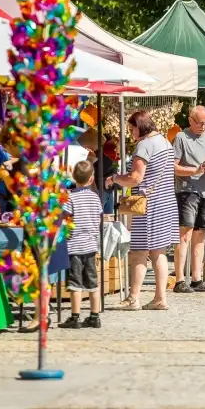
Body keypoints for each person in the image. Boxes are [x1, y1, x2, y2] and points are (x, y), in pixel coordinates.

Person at [107, 110, 178, 310]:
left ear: (139, 127)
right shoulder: (165, 142)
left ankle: (133, 298)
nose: (131, 133)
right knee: (158, 252)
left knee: (139, 251)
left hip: (149, 205)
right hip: (166, 202)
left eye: (132, 129)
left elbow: (136, 178)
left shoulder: (145, 145)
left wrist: (114, 178)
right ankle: (160, 298)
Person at [172, 105, 205, 293]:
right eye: (200, 123)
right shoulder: (181, 138)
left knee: (201, 234)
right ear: (190, 120)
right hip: (187, 191)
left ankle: (197, 278)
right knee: (185, 234)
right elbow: (173, 167)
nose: (203, 126)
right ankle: (180, 280)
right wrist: (195, 170)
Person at [58, 160, 103, 329]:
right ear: (91, 179)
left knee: (75, 283)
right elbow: (99, 217)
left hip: (74, 246)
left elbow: (63, 216)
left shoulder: (70, 198)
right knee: (93, 282)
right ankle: (94, 316)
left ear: (73, 177)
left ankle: (75, 316)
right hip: (91, 245)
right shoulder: (95, 198)